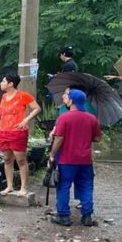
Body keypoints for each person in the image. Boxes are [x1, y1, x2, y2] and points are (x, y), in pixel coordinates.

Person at [47, 89, 101, 227]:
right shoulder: (91, 118)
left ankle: (64, 216)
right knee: (86, 186)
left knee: (63, 186)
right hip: (85, 160)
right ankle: (87, 215)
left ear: (71, 101)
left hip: (67, 160)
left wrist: (52, 154)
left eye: (67, 97)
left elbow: (59, 139)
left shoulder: (64, 118)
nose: (65, 99)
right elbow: (97, 138)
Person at [0, 73, 41, 195]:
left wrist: (25, 120)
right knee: (7, 159)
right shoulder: (4, 96)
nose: (1, 83)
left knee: (21, 160)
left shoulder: (23, 96)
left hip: (18, 132)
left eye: (3, 81)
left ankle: (24, 187)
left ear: (11, 84)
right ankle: (9, 186)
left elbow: (37, 108)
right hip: (3, 131)